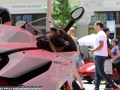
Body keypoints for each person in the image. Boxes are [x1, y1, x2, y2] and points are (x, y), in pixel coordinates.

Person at [90, 21, 120, 90]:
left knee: (101, 73)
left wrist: (93, 50)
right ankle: (96, 87)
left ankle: (114, 85)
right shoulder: (102, 34)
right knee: (97, 73)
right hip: (100, 55)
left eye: (95, 25)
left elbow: (101, 45)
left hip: (100, 56)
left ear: (98, 25)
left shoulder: (100, 34)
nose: (94, 27)